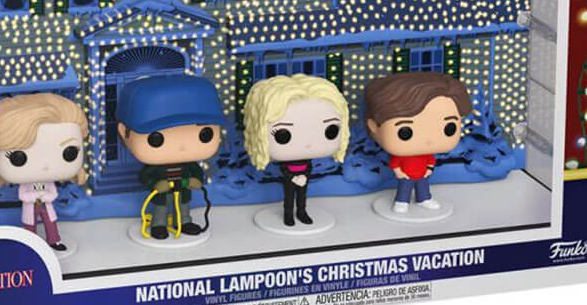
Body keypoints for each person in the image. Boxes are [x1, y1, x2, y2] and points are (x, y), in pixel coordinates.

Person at [117, 74, 226, 240]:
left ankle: (184, 222)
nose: (182, 147)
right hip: (162, 194)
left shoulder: (189, 165)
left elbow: (197, 173)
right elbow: (145, 176)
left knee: (183, 207)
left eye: (204, 135)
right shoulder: (155, 167)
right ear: (124, 132)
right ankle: (158, 225)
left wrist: (195, 180)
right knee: (160, 209)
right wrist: (155, 184)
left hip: (183, 191)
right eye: (156, 139)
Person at [0, 93, 88, 251]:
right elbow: (22, 195)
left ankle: (54, 241)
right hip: (31, 206)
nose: (45, 166)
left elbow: (53, 193)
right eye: (18, 157)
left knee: (51, 223)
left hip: (46, 205)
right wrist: (34, 197)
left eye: (69, 153)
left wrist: (45, 197)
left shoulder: (47, 181)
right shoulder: (27, 183)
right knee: (30, 226)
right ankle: (31, 244)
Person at [242, 74, 349, 226]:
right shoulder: (286, 159)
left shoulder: (307, 159)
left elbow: (308, 166)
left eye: (330, 130)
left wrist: (304, 176)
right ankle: (288, 215)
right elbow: (285, 169)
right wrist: (293, 178)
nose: (308, 144)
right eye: (283, 135)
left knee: (302, 196)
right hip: (291, 178)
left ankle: (302, 212)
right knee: (289, 197)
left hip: (303, 177)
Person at [364, 72, 471, 213]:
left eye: (449, 128)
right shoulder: (401, 154)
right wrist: (399, 172)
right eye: (405, 132)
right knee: (404, 189)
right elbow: (394, 163)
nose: (428, 140)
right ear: (373, 126)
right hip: (406, 175)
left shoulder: (427, 153)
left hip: (422, 175)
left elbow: (430, 161)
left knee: (423, 188)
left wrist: (428, 170)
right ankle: (402, 202)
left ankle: (424, 199)